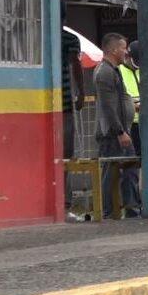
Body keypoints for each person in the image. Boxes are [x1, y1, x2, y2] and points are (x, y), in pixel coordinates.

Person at [94, 33, 140, 219]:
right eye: (123, 48)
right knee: (112, 171)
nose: (126, 51)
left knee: (129, 169)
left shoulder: (114, 70)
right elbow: (107, 107)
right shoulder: (104, 72)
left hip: (122, 131)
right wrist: (120, 131)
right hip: (113, 133)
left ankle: (130, 207)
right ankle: (109, 210)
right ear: (113, 50)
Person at [60, 15, 85, 222]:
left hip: (44, 105)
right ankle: (64, 204)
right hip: (66, 105)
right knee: (66, 157)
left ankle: (60, 203)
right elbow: (76, 65)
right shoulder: (69, 39)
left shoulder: (39, 37)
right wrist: (82, 92)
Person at [120, 40, 142, 155]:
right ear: (127, 56)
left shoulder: (142, 71)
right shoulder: (119, 71)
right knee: (130, 160)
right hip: (129, 124)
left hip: (144, 123)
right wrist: (134, 106)